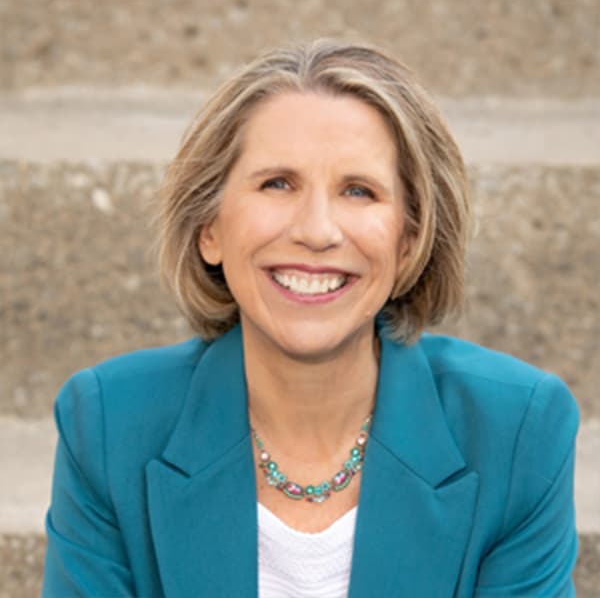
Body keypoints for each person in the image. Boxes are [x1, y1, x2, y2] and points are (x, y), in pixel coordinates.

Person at [42, 40, 579, 598]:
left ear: (408, 243)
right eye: (278, 183)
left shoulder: (517, 431)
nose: (317, 230)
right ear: (210, 228)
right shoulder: (106, 424)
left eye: (358, 191)